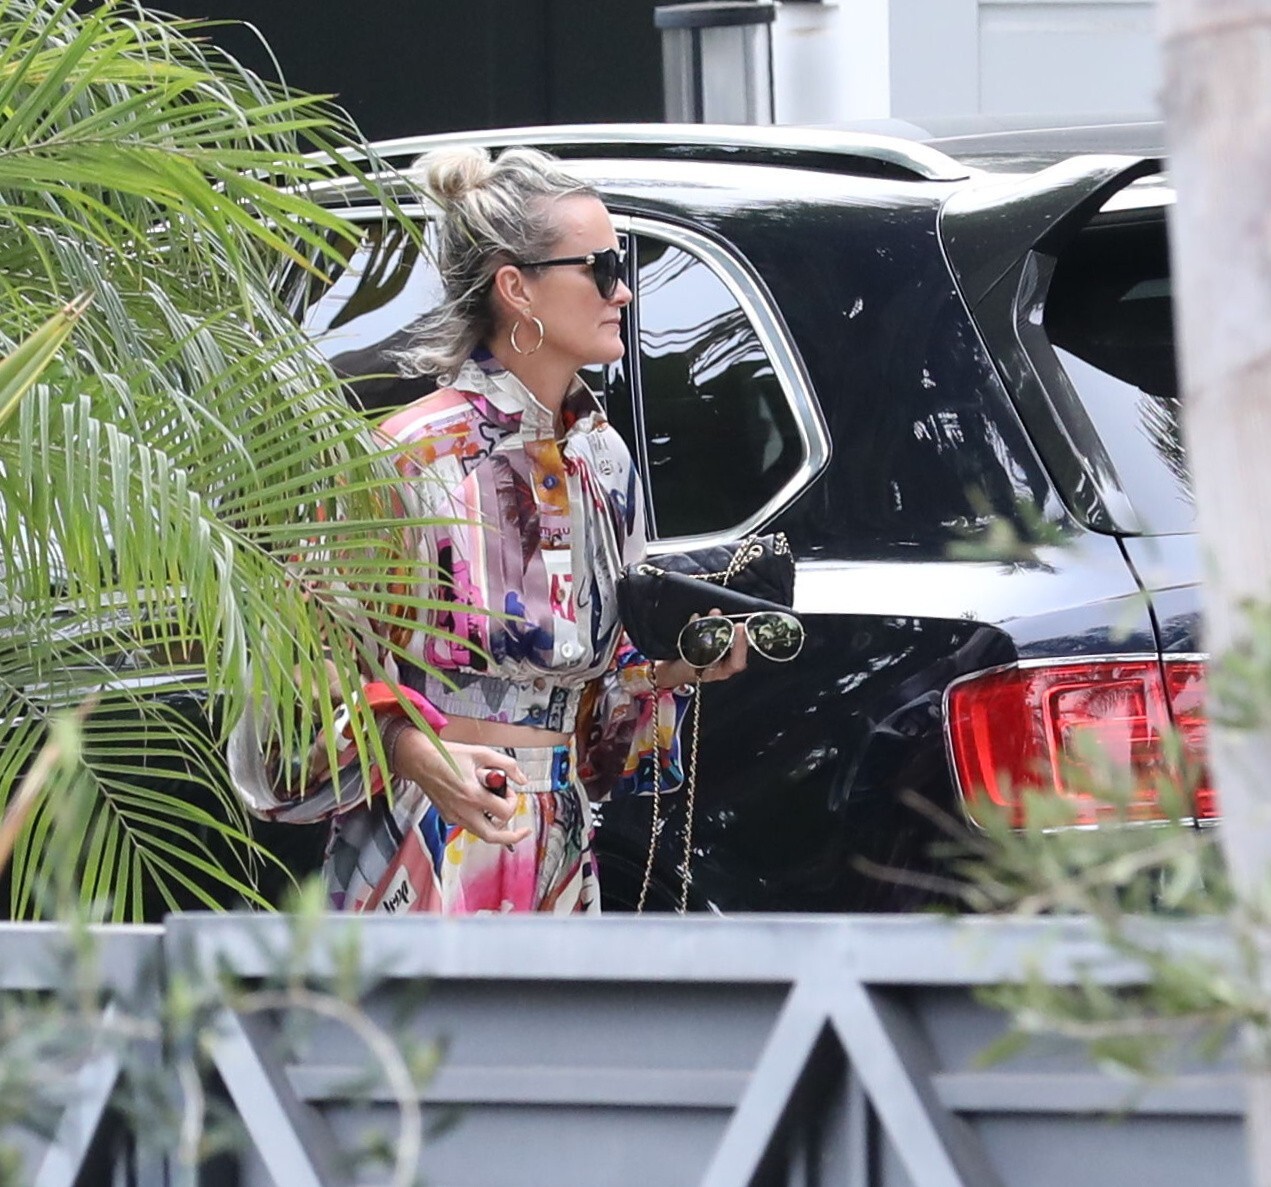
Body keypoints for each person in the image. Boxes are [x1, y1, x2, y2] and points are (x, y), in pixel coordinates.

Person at [228, 146, 746, 914]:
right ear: (515, 287)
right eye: (601, 268)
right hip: (423, 838)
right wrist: (414, 750)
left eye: (623, 264)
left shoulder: (602, 461)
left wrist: (680, 666)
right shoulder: (410, 456)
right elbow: (295, 682)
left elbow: (597, 716)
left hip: (558, 843)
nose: (624, 290)